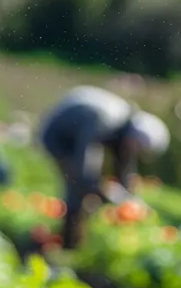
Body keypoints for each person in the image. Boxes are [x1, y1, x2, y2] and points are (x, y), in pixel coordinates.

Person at [38, 86, 171, 248]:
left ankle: (77, 240)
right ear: (134, 136)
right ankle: (68, 242)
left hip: (80, 134)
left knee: (92, 188)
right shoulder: (106, 120)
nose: (133, 151)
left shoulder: (125, 125)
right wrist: (100, 190)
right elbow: (85, 165)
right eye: (136, 147)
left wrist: (128, 196)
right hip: (59, 137)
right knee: (76, 185)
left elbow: (124, 163)